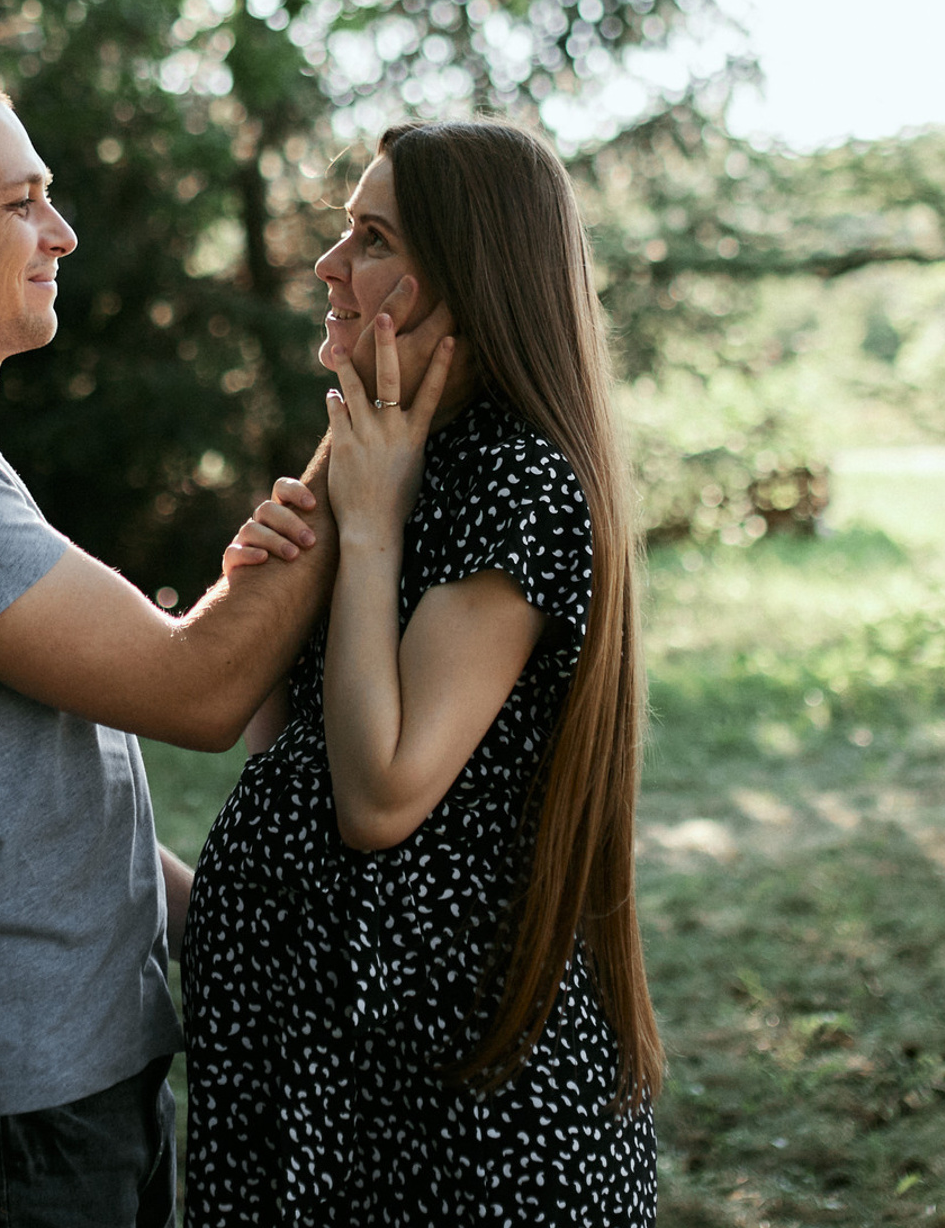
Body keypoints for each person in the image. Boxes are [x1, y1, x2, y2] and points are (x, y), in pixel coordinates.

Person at [0, 68, 405, 1228]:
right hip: (6, 1107)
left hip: (73, 1074)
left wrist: (233, 933)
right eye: (21, 202)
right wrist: (357, 443)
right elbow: (195, 688)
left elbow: (21, 794)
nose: (60, 231)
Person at [182, 119, 663, 1225]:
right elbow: (308, 765)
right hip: (332, 1083)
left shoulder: (517, 485)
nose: (329, 265)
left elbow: (384, 794)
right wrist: (271, 618)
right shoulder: (403, 458)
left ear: (470, 283)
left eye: (372, 238)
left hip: (459, 1127)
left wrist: (375, 528)